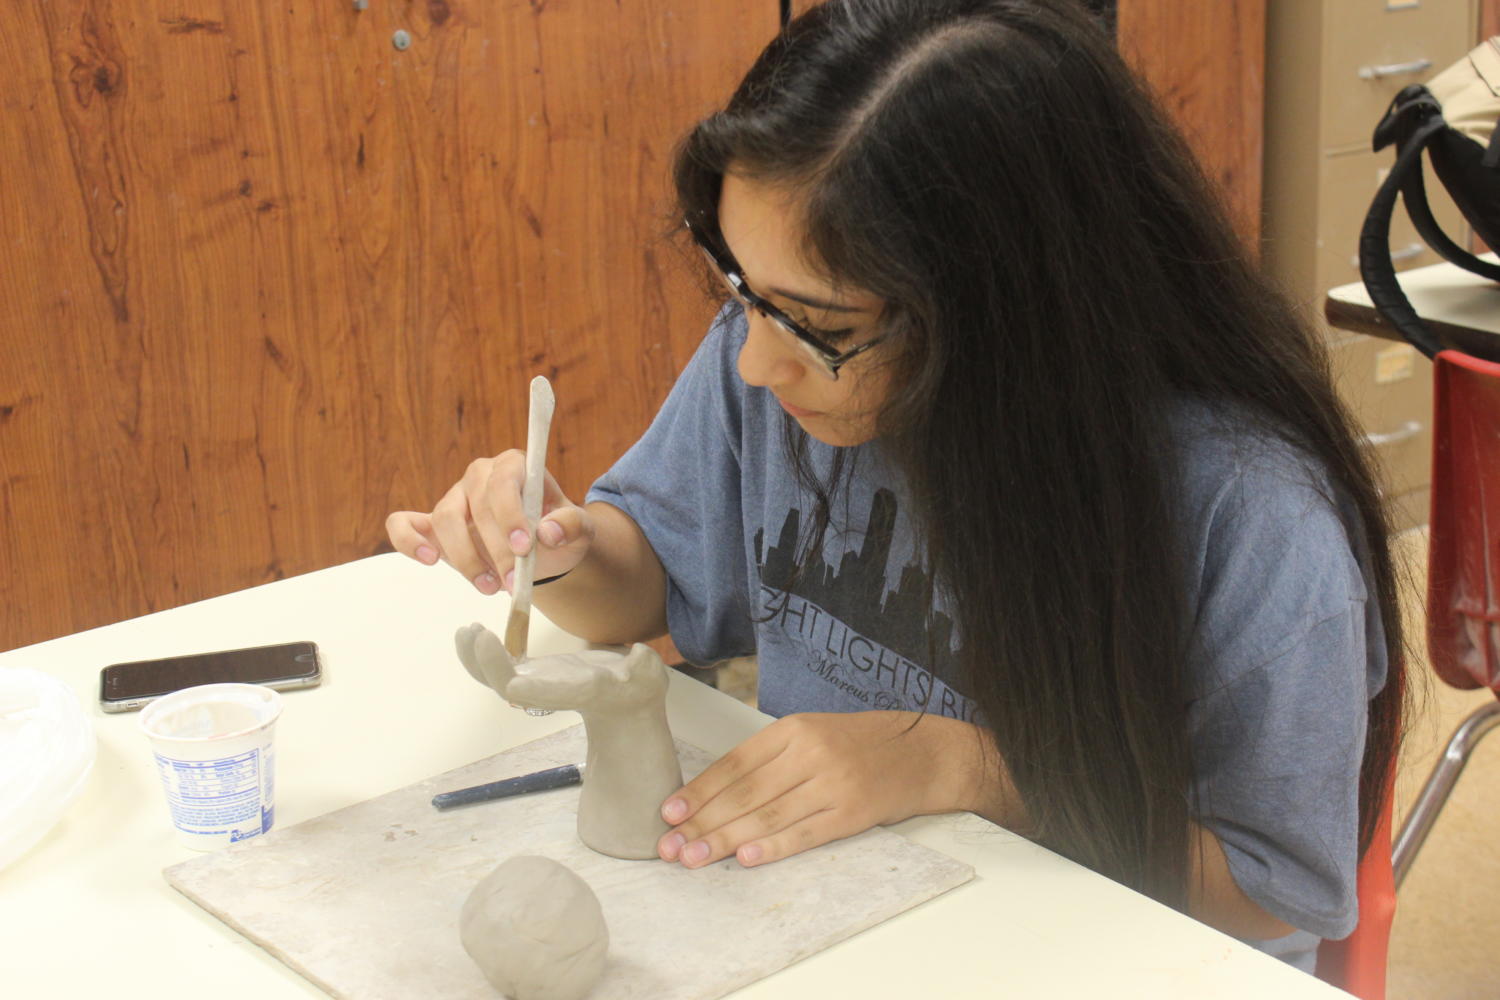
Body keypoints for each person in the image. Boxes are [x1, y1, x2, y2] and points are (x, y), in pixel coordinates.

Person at [386, 0, 1405, 974]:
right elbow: (643, 582)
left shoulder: (1247, 510)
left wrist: (968, 770)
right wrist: (560, 549)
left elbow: (1275, 886)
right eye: (741, 288)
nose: (753, 363)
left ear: (1011, 311)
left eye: (818, 326)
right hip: (853, 924)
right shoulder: (786, 364)